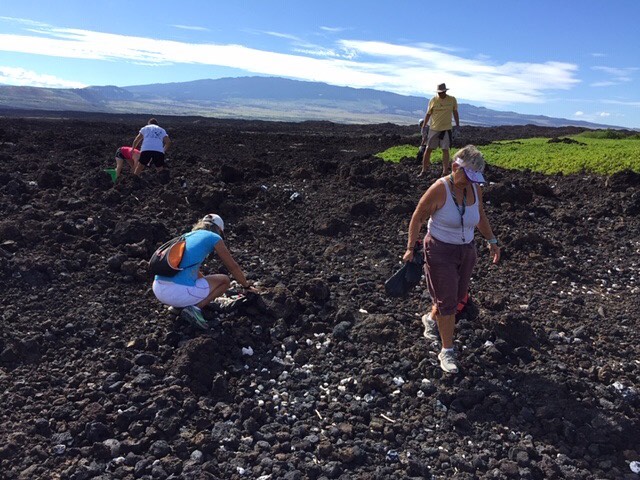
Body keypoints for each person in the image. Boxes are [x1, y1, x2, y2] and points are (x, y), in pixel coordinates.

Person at [403, 145, 500, 374]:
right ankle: (447, 351)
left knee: (456, 297)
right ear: (455, 167)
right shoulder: (439, 189)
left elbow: (480, 216)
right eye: (466, 176)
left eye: (474, 178)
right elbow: (417, 217)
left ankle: (430, 318)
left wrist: (492, 240)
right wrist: (410, 247)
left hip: (466, 250)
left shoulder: (475, 189)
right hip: (440, 250)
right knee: (448, 302)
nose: (470, 181)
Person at [152, 214, 254, 329]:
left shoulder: (187, 236)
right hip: (177, 293)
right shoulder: (213, 237)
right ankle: (195, 309)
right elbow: (233, 267)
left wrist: (204, 284)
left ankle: (178, 307)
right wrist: (246, 286)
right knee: (224, 281)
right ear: (219, 230)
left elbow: (191, 269)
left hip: (158, 289)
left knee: (194, 280)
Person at [418, 83, 460, 177]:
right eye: (439, 92)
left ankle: (445, 172)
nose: (440, 94)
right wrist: (424, 126)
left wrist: (457, 125)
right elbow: (428, 114)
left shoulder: (452, 99)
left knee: (445, 149)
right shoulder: (433, 100)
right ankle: (424, 170)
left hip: (446, 129)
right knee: (428, 149)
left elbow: (455, 112)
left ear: (445, 91)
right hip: (434, 128)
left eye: (442, 92)